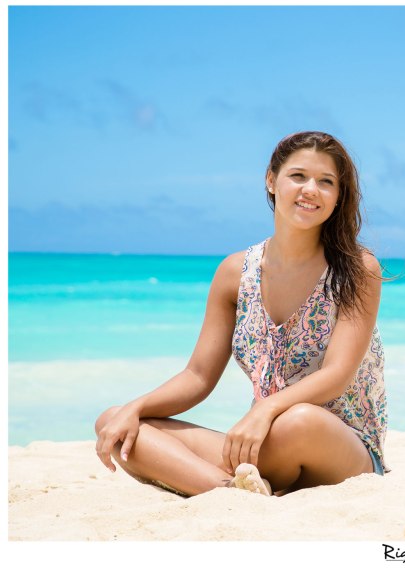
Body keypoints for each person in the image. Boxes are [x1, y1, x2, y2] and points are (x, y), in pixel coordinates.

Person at [94, 131, 388, 497]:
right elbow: (198, 376)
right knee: (117, 420)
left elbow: (337, 375)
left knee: (298, 422)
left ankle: (226, 484)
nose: (310, 189)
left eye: (326, 182)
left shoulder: (358, 269)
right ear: (271, 180)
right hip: (260, 442)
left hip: (337, 445)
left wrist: (264, 411)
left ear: (338, 195)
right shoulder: (236, 272)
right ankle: (233, 493)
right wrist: (136, 406)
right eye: (298, 176)